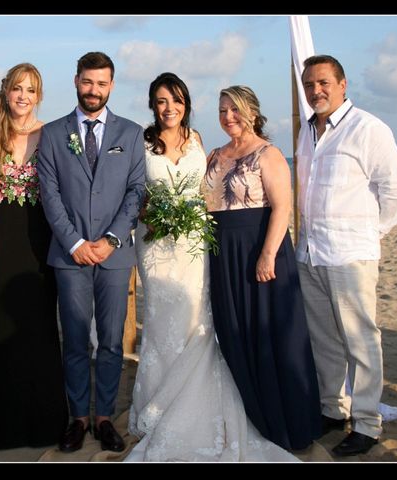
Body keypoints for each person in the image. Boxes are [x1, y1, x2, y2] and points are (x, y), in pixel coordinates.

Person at [126, 73, 298, 462]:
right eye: (161, 101)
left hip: (194, 245)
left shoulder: (199, 142)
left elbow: (208, 193)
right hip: (156, 248)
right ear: (152, 105)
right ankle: (157, 404)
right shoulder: (142, 142)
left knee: (197, 323)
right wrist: (147, 212)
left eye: (176, 101)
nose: (169, 108)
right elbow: (134, 191)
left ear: (186, 104)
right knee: (160, 327)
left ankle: (196, 404)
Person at [295, 55, 397, 456]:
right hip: (310, 253)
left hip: (350, 254)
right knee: (324, 339)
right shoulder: (306, 131)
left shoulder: (368, 128)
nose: (316, 91)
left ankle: (367, 424)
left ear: (343, 84)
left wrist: (368, 233)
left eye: (324, 82)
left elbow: (395, 192)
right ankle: (333, 408)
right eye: (309, 84)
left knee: (361, 340)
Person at [37, 51, 146, 453]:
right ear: (76, 81)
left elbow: (136, 191)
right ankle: (78, 417)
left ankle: (105, 418)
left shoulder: (131, 133)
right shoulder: (52, 134)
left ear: (111, 86)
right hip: (70, 257)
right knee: (77, 339)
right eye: (87, 81)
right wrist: (76, 243)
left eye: (101, 83)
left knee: (114, 342)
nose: (93, 90)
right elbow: (50, 196)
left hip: (115, 256)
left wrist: (112, 239)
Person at [203, 85, 322, 451]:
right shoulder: (213, 155)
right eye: (223, 110)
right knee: (234, 331)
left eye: (235, 110)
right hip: (222, 253)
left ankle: (288, 424)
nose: (228, 117)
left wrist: (268, 254)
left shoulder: (268, 154)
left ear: (252, 112)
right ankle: (251, 414)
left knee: (271, 335)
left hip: (260, 249)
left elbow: (283, 208)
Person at [0, 63, 69, 449]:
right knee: (0, 321)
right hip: (4, 235)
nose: (23, 96)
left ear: (38, 95)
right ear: (6, 92)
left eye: (30, 90)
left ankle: (42, 423)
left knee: (40, 323)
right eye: (17, 89)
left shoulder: (53, 134)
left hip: (43, 235)